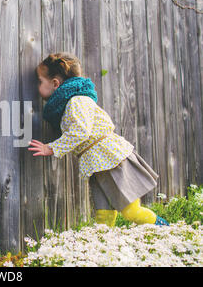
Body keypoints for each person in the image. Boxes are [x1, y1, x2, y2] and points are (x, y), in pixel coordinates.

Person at [28, 52, 169, 227]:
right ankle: (104, 250)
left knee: (132, 211)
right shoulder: (70, 103)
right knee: (104, 215)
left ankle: (167, 230)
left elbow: (81, 131)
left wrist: (52, 148)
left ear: (55, 83)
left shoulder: (76, 101)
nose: (37, 86)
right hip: (98, 163)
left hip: (109, 158)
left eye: (40, 81)